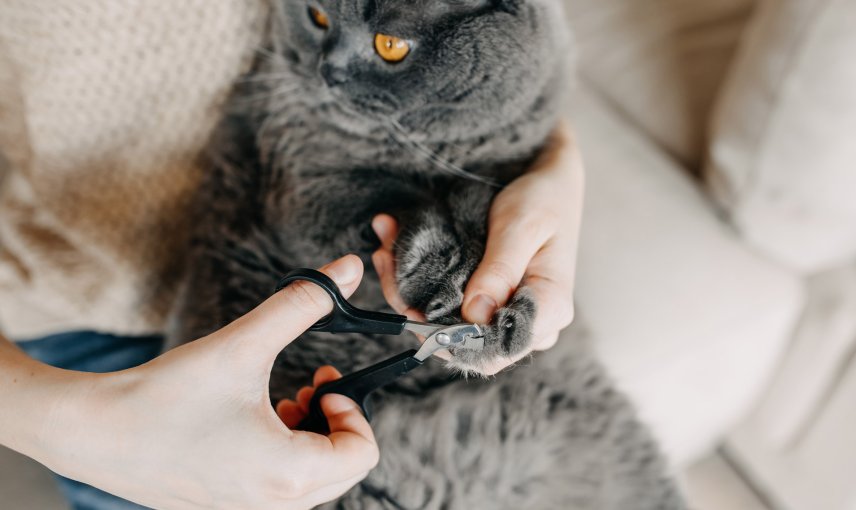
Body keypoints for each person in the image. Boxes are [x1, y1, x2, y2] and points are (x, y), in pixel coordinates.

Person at [0, 5, 584, 507]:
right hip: (86, 335)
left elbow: (488, 26)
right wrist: (65, 425)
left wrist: (558, 168)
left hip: (369, 284)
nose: (327, 72)